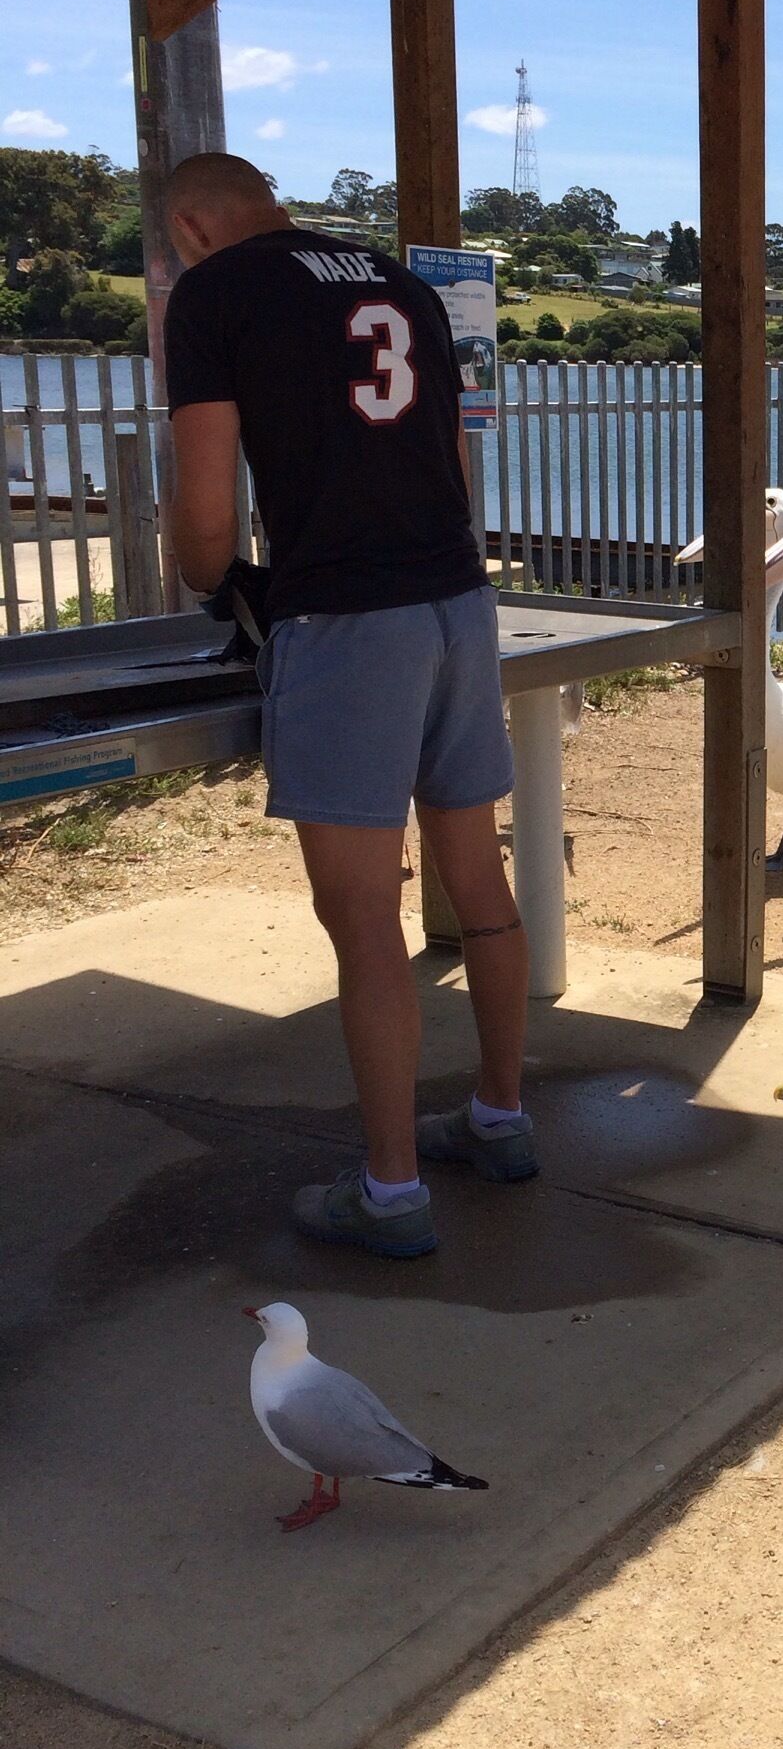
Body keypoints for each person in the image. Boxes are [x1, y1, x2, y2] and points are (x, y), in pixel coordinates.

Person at [163, 153, 536, 1258]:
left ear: (191, 227)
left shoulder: (215, 294)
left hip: (345, 621)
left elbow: (206, 507)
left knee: (364, 918)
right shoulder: (398, 283)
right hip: (456, 604)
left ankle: (389, 1191)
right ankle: (501, 1120)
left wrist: (207, 578)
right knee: (479, 879)